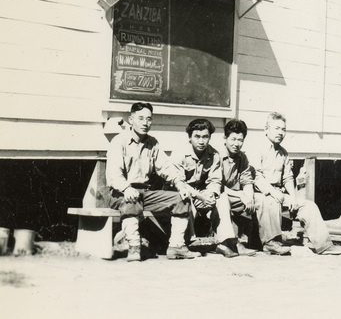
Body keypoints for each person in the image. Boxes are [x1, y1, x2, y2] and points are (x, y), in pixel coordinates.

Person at [104, 102, 195, 261]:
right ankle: (134, 247)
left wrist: (180, 185)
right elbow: (114, 174)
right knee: (131, 200)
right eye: (140, 119)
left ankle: (176, 246)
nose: (145, 123)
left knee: (182, 199)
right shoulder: (119, 142)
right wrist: (126, 188)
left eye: (149, 119)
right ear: (130, 120)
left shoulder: (153, 143)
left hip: (146, 193)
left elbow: (166, 168)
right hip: (121, 192)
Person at [251, 112, 341, 256]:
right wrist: (272, 191)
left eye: (283, 129)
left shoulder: (283, 153)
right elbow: (256, 177)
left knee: (309, 206)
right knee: (271, 201)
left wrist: (293, 198)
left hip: (279, 194)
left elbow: (288, 177)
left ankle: (324, 246)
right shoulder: (257, 149)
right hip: (260, 194)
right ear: (266, 129)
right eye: (277, 128)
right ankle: (272, 243)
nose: (281, 133)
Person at [217, 119, 288, 256]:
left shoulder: (242, 157)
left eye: (240, 140)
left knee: (261, 198)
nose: (236, 144)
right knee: (224, 198)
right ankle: (232, 243)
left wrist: (249, 196)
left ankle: (270, 242)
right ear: (225, 138)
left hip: (238, 196)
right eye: (233, 139)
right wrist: (242, 196)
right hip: (219, 196)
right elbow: (218, 186)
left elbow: (247, 180)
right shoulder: (217, 156)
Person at [171, 118, 238, 258]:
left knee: (222, 198)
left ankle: (224, 243)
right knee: (185, 199)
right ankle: (185, 243)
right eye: (197, 136)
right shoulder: (180, 154)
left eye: (205, 137)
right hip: (183, 194)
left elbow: (215, 180)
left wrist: (211, 194)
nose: (201, 141)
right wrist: (200, 196)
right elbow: (179, 184)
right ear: (189, 137)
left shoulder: (214, 155)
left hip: (203, 194)